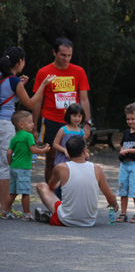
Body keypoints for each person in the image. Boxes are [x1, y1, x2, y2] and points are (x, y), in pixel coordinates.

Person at [0, 46, 55, 219]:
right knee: (5, 167)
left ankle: (4, 207)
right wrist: (43, 85)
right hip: (6, 124)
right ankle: (4, 208)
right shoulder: (14, 81)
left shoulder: (2, 78)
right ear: (20, 62)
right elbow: (30, 103)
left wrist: (20, 85)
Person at [32, 38, 91, 183]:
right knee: (51, 158)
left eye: (69, 56)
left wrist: (88, 123)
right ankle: (50, 196)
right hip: (51, 119)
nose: (66, 59)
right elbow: (38, 101)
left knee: (76, 157)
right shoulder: (44, 72)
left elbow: (84, 99)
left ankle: (69, 193)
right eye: (63, 55)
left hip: (73, 123)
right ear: (54, 52)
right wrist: (34, 126)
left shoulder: (78, 71)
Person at [35, 136, 118, 227]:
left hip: (66, 219)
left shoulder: (61, 167)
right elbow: (110, 198)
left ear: (68, 153)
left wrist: (61, 182)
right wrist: (114, 204)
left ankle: (57, 213)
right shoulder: (96, 169)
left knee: (41, 185)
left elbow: (51, 186)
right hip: (89, 221)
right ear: (84, 152)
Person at [2, 111, 51, 220]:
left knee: (13, 192)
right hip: (23, 168)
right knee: (25, 192)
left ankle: (5, 211)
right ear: (21, 124)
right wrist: (44, 150)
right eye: (30, 122)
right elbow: (33, 150)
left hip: (14, 167)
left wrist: (11, 163)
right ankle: (26, 213)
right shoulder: (28, 136)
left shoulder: (15, 138)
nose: (33, 124)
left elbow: (9, 153)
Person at [52, 103, 85, 199]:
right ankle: (58, 204)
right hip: (63, 161)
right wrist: (64, 150)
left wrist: (85, 153)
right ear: (69, 115)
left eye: (79, 116)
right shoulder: (63, 130)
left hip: (76, 162)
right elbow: (55, 144)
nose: (77, 118)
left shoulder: (81, 131)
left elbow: (83, 146)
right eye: (74, 115)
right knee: (61, 184)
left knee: (72, 184)